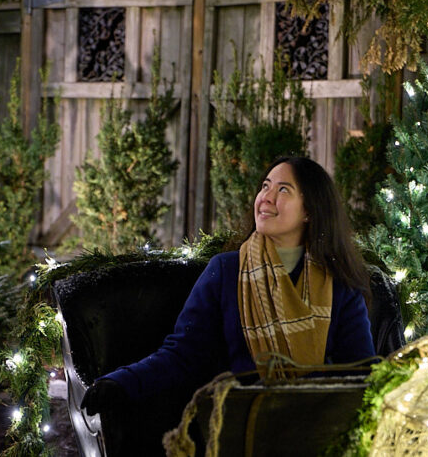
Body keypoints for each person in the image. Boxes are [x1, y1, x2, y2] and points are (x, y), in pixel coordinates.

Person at [80, 156, 375, 416]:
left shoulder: (339, 285)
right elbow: (183, 354)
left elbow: (361, 375)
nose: (266, 198)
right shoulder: (226, 271)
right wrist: (120, 382)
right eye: (265, 186)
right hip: (240, 426)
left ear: (310, 210)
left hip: (318, 430)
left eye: (283, 190)